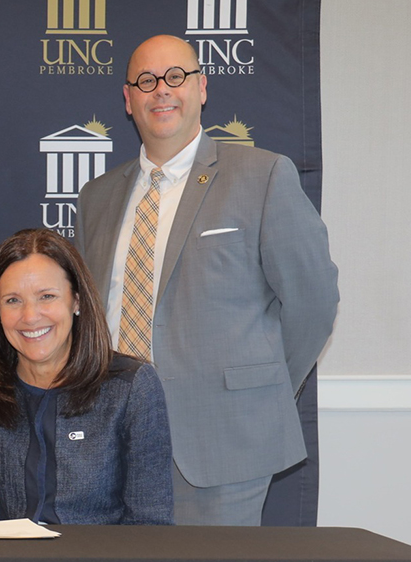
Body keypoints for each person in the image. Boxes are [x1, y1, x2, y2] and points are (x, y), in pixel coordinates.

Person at [74, 35, 339, 525]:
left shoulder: (262, 176)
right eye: (146, 81)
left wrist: (257, 388)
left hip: (223, 444)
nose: (161, 90)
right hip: (110, 444)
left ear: (201, 88)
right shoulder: (97, 197)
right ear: (128, 99)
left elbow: (313, 302)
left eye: (176, 77)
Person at [0, 229, 173, 527]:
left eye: (46, 296)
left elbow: (150, 526)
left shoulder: (132, 387)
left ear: (76, 301)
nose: (30, 316)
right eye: (12, 300)